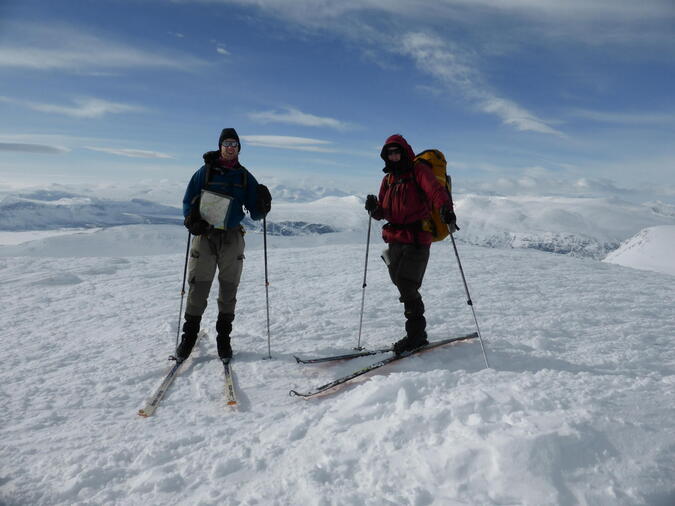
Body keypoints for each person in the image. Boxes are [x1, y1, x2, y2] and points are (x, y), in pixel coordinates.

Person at [177, 128, 272, 362]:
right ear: (220, 146)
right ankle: (188, 337)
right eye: (227, 143)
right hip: (206, 235)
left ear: (239, 148)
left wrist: (263, 205)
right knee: (198, 285)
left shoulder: (244, 176)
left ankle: (223, 339)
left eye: (235, 144)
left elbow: (256, 213)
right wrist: (191, 220)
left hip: (231, 236)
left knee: (229, 287)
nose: (230, 147)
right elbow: (188, 200)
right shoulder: (205, 172)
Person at [365, 134, 456, 355]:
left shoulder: (418, 171)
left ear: (405, 152)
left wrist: (445, 208)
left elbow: (436, 191)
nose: (394, 156)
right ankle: (416, 332)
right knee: (399, 279)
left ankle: (416, 335)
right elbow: (383, 211)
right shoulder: (388, 180)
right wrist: (373, 208)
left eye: (397, 152)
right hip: (395, 237)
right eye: (390, 153)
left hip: (417, 235)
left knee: (407, 284)